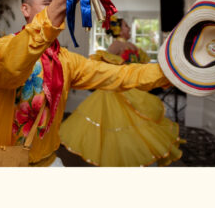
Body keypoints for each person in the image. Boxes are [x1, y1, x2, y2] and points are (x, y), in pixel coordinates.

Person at [0, 0, 171, 167]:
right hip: (6, 165)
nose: (59, 11)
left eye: (62, 5)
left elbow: (122, 75)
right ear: (25, 9)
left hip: (50, 161)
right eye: (48, 4)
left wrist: (172, 71)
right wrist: (57, 5)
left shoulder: (67, 61)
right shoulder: (0, 49)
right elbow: (12, 66)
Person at [59, 16, 184, 166]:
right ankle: (119, 157)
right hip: (117, 92)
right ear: (117, 30)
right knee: (116, 126)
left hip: (134, 89)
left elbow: (141, 65)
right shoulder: (116, 45)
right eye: (126, 26)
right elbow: (104, 68)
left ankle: (135, 152)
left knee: (138, 124)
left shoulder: (132, 45)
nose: (129, 29)